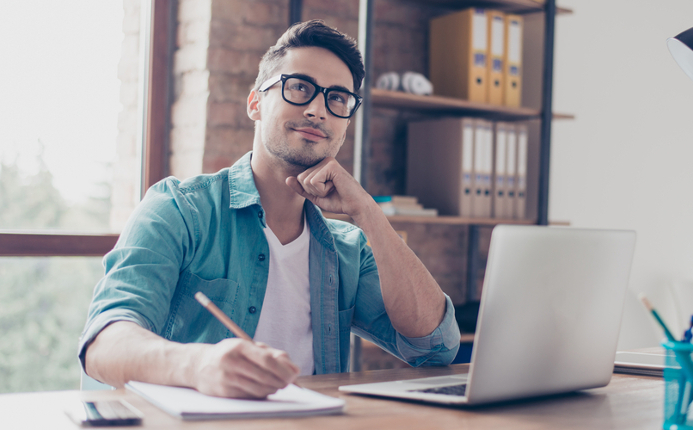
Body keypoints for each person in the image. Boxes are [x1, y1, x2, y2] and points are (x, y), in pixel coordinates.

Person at [79, 20, 460, 399]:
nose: (317, 110)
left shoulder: (349, 249)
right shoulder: (179, 209)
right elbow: (103, 344)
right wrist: (197, 366)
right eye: (299, 88)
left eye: (338, 98)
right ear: (255, 103)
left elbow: (435, 347)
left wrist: (368, 213)